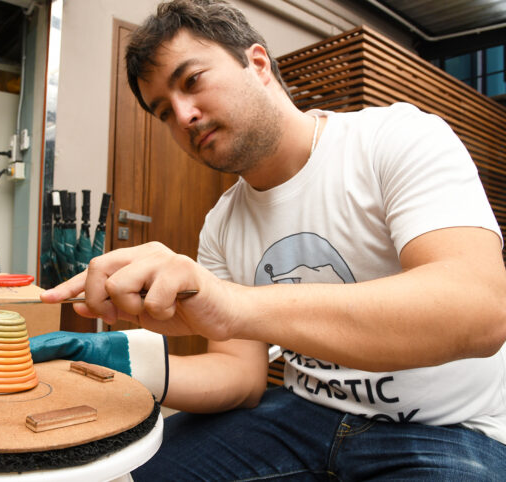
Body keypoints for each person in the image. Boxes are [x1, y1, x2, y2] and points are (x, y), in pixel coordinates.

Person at [31, 0, 506, 479]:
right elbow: (241, 378)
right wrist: (124, 362)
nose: (184, 115)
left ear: (257, 64)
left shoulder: (397, 139)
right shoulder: (222, 223)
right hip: (304, 414)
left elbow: (479, 308)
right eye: (163, 111)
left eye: (191, 80)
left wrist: (235, 304)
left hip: (451, 427)